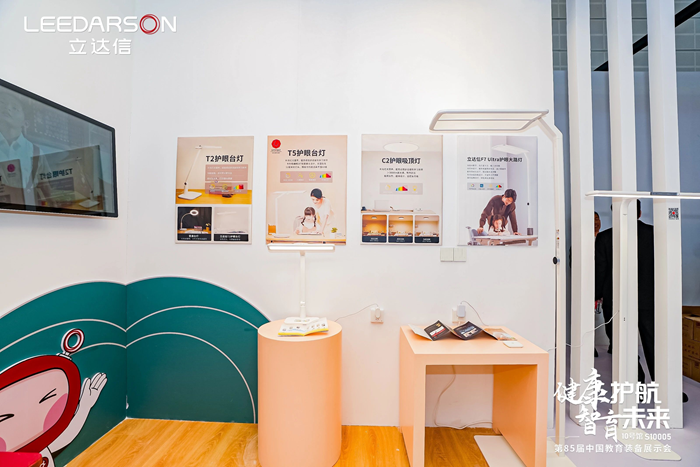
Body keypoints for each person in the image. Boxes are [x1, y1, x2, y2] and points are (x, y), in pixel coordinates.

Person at [595, 201, 654, 382]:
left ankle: (636, 381)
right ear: (640, 213)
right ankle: (664, 386)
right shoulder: (654, 234)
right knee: (654, 343)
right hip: (649, 299)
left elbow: (600, 270)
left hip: (616, 300)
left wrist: (596, 295)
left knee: (622, 344)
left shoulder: (605, 238)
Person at [0, 89, 50, 206]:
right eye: (2, 103)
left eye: (14, 108)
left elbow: (48, 190)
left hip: (28, 213)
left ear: (25, 122)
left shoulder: (36, 152)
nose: (7, 108)